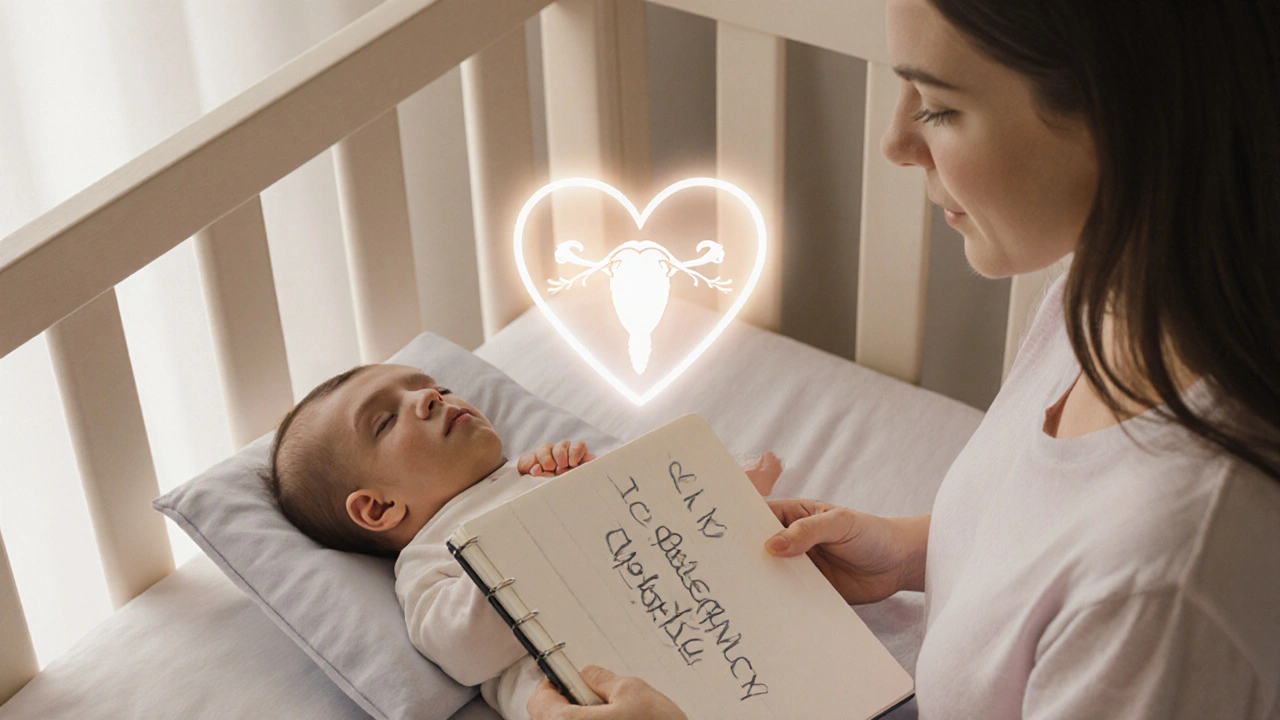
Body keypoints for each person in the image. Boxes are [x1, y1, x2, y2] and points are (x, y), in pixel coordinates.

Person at [526, 0, 1280, 718]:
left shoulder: (1168, 588)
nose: (894, 142)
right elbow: (1057, 538)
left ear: (1124, 117)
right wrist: (915, 553)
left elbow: (1112, 577)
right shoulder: (1111, 291)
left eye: (940, 107)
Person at [264, 362, 783, 720]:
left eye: (436, 387)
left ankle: (724, 494)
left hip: (707, 631)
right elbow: (465, 650)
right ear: (378, 507)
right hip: (607, 694)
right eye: (384, 419)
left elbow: (638, 528)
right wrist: (553, 510)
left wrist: (589, 482)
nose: (429, 397)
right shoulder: (426, 563)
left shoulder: (535, 471)